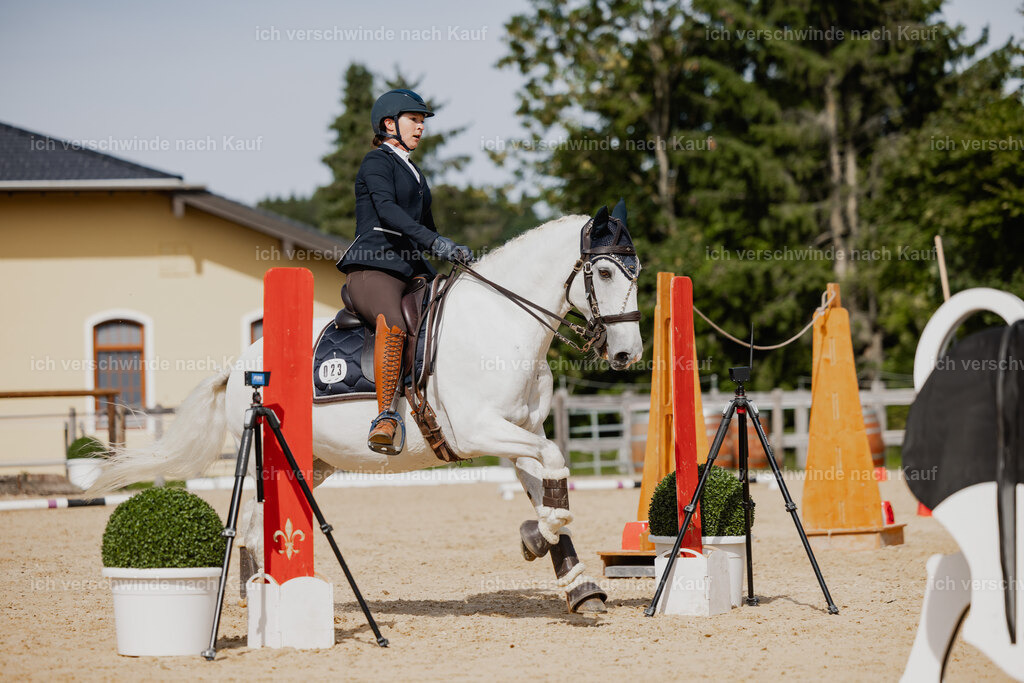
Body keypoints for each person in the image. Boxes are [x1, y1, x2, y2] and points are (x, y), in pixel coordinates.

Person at [336, 88, 472, 454]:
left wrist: (450, 254)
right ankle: (384, 417)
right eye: (414, 119)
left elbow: (424, 228)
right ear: (388, 124)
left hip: (409, 268)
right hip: (374, 265)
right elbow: (389, 213)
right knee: (393, 323)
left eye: (423, 121)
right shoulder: (376, 162)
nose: (421, 127)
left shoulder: (415, 173)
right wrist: (436, 241)